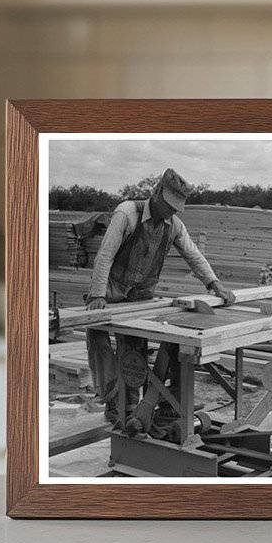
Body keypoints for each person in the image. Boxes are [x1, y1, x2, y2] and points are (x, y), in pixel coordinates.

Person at [84, 168, 235, 428]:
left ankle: (137, 409)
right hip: (111, 290)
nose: (172, 211)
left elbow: (193, 254)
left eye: (177, 207)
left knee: (134, 352)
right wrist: (98, 294)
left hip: (141, 294)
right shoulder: (127, 214)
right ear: (156, 193)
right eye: (169, 205)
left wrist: (214, 284)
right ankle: (114, 405)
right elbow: (105, 255)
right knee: (102, 348)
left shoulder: (174, 225)